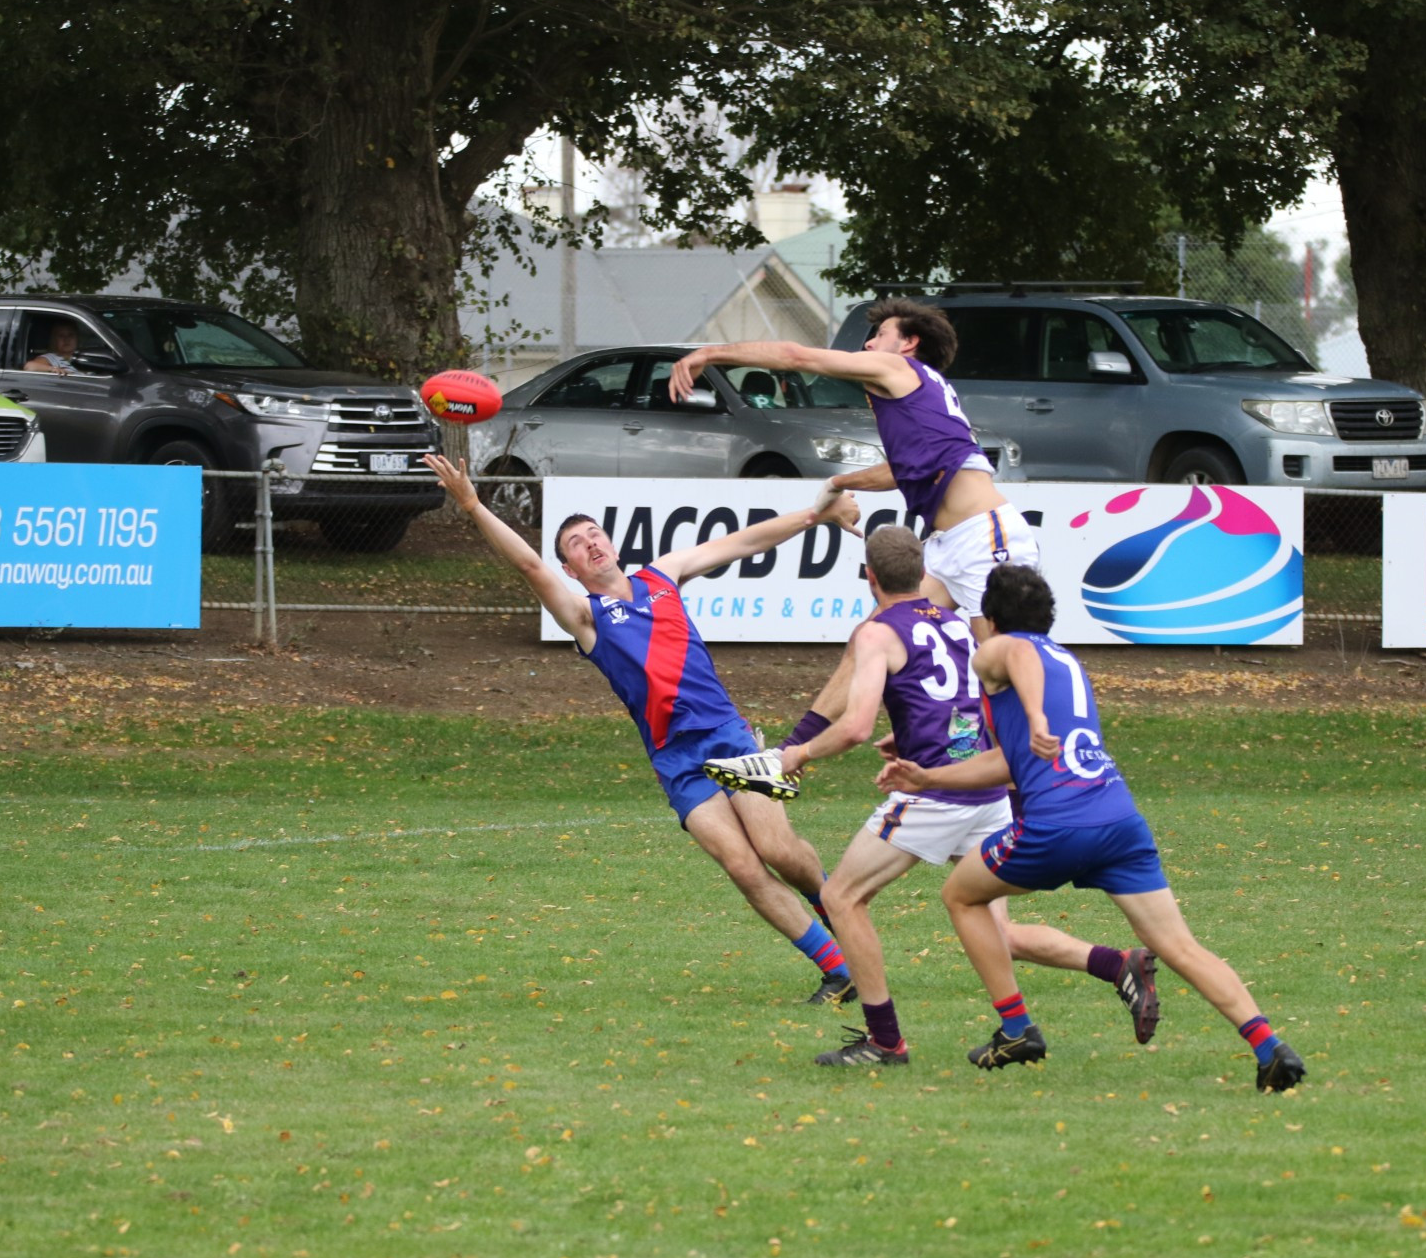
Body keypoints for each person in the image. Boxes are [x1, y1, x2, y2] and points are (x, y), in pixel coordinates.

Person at [423, 453, 863, 1005]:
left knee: (778, 848)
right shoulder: (586, 619)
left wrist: (816, 515)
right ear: (572, 570)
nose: (591, 545)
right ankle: (839, 970)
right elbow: (530, 568)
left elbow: (746, 542)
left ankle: (839, 907)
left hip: (727, 736)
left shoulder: (663, 576)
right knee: (742, 868)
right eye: (577, 547)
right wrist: (471, 504)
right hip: (676, 761)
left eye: (594, 534)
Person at [877, 563, 1305, 1090]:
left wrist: (1034, 716)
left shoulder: (999, 650)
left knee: (961, 896)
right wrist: (928, 776)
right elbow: (1010, 763)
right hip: (1119, 821)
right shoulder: (1066, 661)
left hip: (1059, 825)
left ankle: (1015, 1028)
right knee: (1180, 946)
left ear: (989, 619)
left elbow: (1015, 655)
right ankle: (1270, 1048)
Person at [766, 526, 1159, 1068]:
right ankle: (1114, 965)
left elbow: (855, 727)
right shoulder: (954, 622)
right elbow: (967, 702)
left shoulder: (876, 631)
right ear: (923, 572)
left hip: (935, 794)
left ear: (870, 576)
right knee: (992, 927)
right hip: (985, 789)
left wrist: (797, 754)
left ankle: (885, 1041)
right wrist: (909, 733)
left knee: (842, 898)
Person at [674, 298, 1039, 800]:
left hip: (986, 537)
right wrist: (841, 481)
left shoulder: (898, 368)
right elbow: (902, 470)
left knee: (999, 671)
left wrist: (709, 354)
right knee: (871, 635)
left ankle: (1033, 803)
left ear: (907, 343)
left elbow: (796, 356)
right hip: (952, 544)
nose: (868, 345)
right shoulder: (920, 397)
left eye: (879, 334)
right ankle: (786, 758)